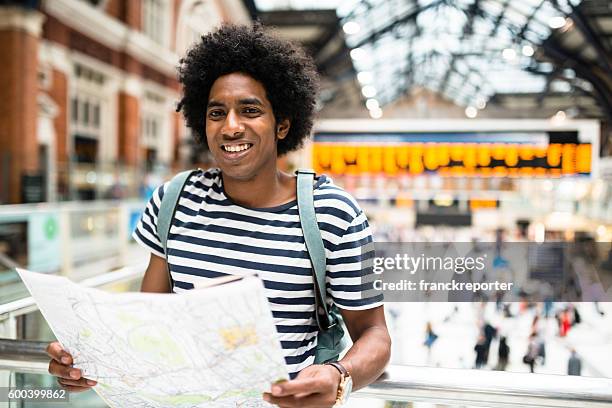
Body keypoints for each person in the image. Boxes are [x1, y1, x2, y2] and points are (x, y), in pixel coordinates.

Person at [46, 24, 391, 407]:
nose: (230, 126)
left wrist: (339, 375)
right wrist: (88, 359)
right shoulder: (174, 199)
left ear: (282, 124)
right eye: (216, 112)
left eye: (250, 110)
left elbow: (374, 333)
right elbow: (151, 321)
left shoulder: (332, 215)